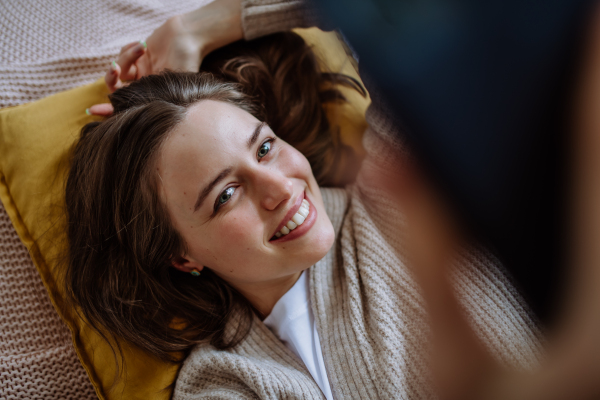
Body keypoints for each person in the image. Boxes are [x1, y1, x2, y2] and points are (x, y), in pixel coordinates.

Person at [73, 0, 600, 399]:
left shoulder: (400, 182)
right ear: (181, 254)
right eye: (227, 194)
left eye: (265, 147)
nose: (280, 188)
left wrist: (199, 27)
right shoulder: (223, 383)